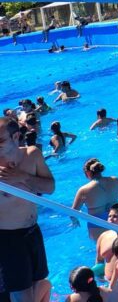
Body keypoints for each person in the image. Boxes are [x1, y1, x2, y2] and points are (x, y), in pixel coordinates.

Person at [0, 118, 56, 302]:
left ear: (16, 136)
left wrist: (21, 177)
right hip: (8, 239)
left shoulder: (32, 155)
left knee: (39, 283)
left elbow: (50, 187)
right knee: (22, 294)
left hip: (32, 232)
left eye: (1, 140)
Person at [72, 159, 118, 241]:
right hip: (117, 220)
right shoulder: (115, 181)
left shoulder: (83, 190)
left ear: (87, 173)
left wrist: (75, 222)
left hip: (97, 225)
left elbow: (73, 213)